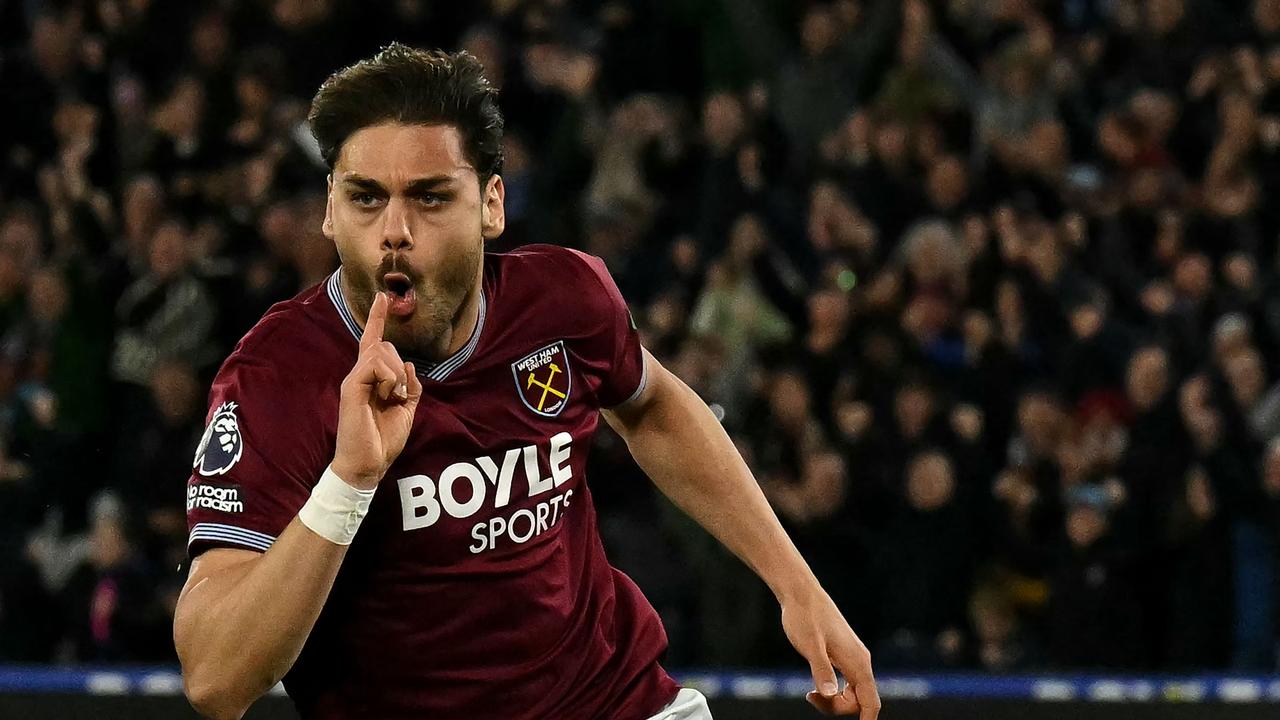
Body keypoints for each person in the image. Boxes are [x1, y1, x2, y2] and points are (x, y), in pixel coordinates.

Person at [172, 45, 880, 720]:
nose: (394, 231)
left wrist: (798, 586)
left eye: (430, 198)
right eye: (365, 198)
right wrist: (349, 482)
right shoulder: (275, 380)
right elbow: (215, 682)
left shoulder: (564, 300)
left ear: (491, 205)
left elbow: (656, 406)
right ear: (329, 209)